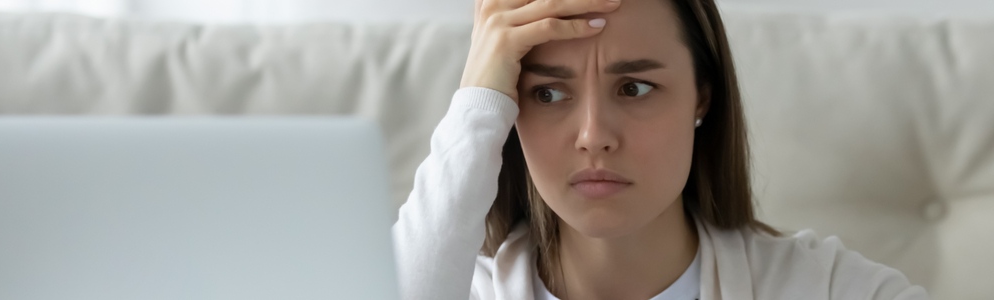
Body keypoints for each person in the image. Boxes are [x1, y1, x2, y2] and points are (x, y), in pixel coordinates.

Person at [393, 0, 931, 298]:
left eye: (634, 88)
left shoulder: (826, 289)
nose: (593, 134)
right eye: (548, 93)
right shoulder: (465, 292)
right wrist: (476, 104)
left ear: (702, 97)